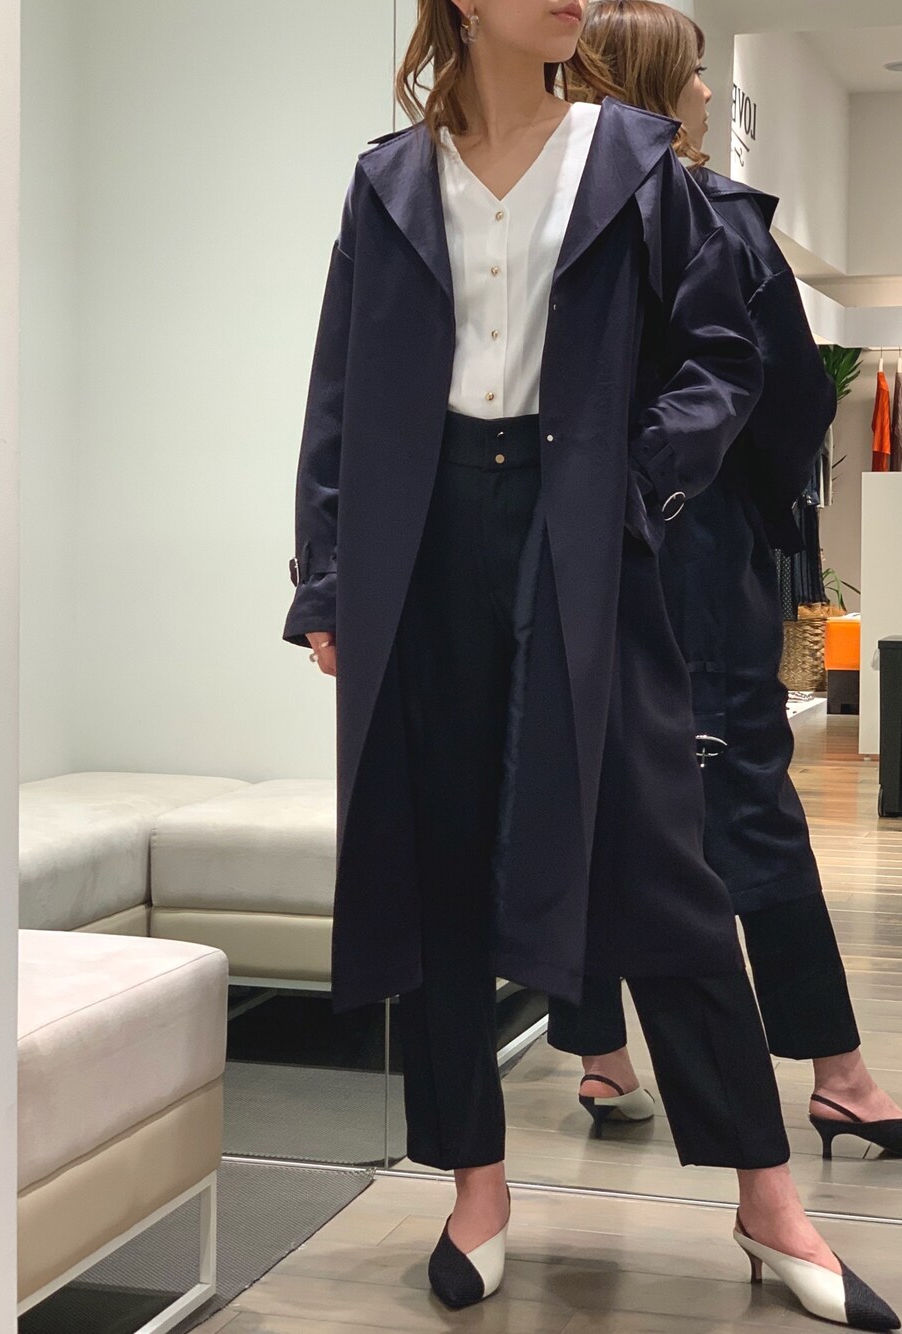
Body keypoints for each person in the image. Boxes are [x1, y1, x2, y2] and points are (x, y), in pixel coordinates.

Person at [283, 0, 898, 1326]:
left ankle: (767, 1194)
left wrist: (638, 484)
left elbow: (724, 356)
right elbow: (340, 391)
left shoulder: (628, 159)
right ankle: (476, 1183)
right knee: (440, 858)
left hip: (580, 525)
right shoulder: (390, 181)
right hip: (423, 536)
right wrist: (327, 580)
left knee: (657, 860)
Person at [549, 0, 902, 1181]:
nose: (708, 93)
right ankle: (838, 1074)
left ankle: (600, 1051)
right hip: (692, 550)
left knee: (587, 784)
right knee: (745, 793)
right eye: (693, 73)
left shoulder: (552, 216)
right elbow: (786, 399)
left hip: (577, 546)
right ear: (656, 83)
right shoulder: (714, 218)